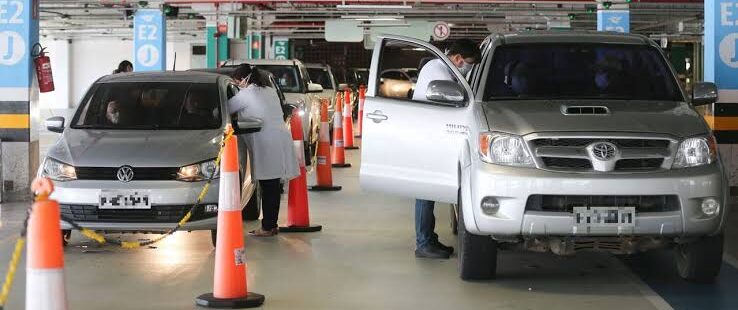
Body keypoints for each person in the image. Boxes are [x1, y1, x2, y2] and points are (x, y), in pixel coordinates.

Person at [411, 39, 481, 259]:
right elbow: (455, 102)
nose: (468, 68)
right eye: (468, 63)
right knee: (425, 192)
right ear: (458, 58)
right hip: (427, 138)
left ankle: (428, 240)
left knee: (428, 192)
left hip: (432, 136)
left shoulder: (441, 68)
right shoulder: (438, 71)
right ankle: (423, 243)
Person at [228, 64, 300, 237]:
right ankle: (271, 225)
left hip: (266, 143)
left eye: (238, 81)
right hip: (279, 139)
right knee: (273, 186)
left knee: (269, 186)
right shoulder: (269, 90)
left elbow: (227, 109)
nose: (238, 84)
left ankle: (267, 227)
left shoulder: (246, 94)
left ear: (244, 79)